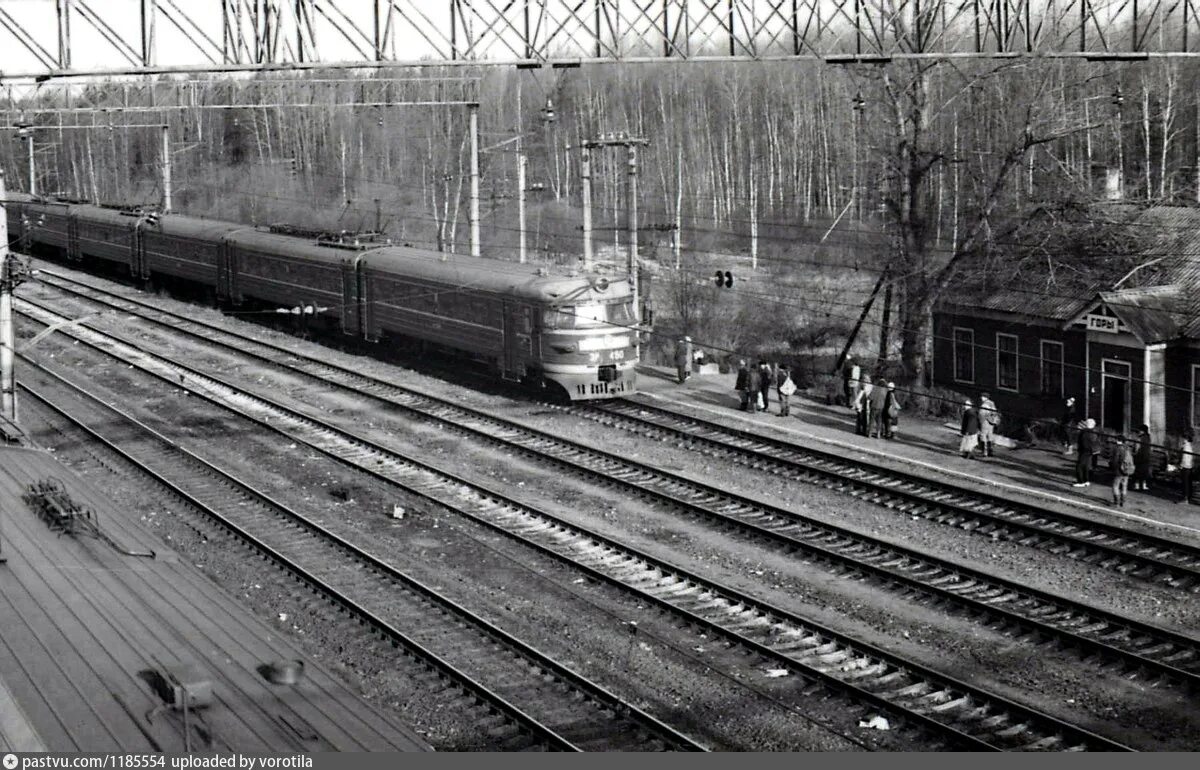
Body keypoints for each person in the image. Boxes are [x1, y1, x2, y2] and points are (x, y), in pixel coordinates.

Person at [1073, 418, 1100, 487]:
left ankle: (1080, 481)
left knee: (1080, 466)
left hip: (1084, 451)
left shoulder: (1084, 432)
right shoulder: (1093, 432)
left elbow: (1082, 442)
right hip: (1090, 451)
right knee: (1086, 466)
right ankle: (1086, 480)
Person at [1111, 436, 1135, 507]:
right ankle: (1123, 501)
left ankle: (1116, 502)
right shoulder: (1127, 448)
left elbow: (1115, 460)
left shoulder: (1117, 448)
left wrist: (1113, 467)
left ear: (1118, 440)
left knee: (1115, 486)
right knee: (1124, 486)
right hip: (1127, 470)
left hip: (1119, 470)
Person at [978, 392, 1001, 457]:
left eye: (982, 397)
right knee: (990, 435)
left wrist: (980, 420)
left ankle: (984, 451)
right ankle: (990, 450)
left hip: (985, 421)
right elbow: (995, 412)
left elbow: (982, 414)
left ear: (985, 397)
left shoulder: (984, 405)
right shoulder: (992, 403)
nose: (981, 398)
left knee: (983, 435)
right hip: (991, 422)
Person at [1133, 424, 1154, 491]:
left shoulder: (1139, 438)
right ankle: (1144, 485)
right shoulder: (1149, 438)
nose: (1139, 431)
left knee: (1137, 471)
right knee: (1145, 471)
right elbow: (1151, 448)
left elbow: (1137, 447)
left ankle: (1137, 485)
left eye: (1140, 430)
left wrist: (1134, 453)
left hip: (1139, 457)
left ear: (1142, 431)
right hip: (1146, 457)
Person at [1180, 429, 1195, 505]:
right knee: (1187, 483)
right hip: (1189, 466)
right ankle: (1187, 497)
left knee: (1185, 483)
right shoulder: (1189, 446)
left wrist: (1181, 465)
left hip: (1186, 466)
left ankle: (1185, 498)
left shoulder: (1186, 446)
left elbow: (1185, 457)